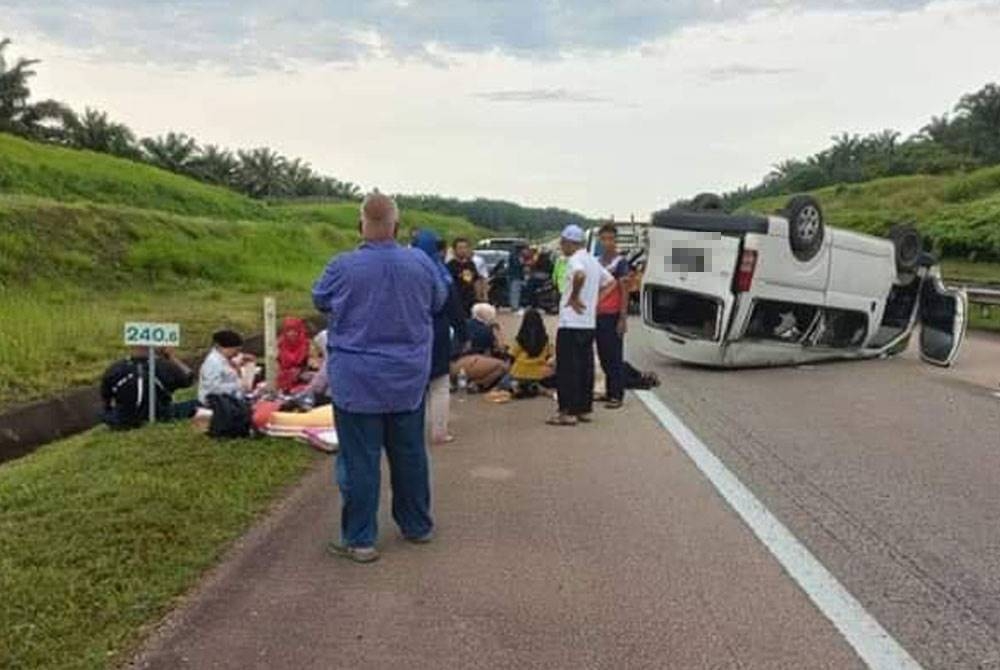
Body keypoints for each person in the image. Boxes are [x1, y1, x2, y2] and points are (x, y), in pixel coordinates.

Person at [312, 192, 446, 564]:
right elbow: (437, 301)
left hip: (357, 381)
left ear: (360, 226)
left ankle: (360, 539)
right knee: (410, 455)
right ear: (397, 226)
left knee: (360, 461)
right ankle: (417, 525)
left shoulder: (341, 266)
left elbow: (319, 299)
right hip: (406, 379)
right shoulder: (420, 262)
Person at [548, 224, 613, 426]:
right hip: (588, 322)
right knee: (585, 366)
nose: (561, 247)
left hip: (571, 321)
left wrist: (574, 296)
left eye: (563, 243)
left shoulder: (574, 260)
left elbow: (579, 275)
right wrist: (594, 300)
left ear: (570, 243)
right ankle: (583, 408)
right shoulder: (593, 261)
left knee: (568, 368)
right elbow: (610, 282)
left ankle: (566, 411)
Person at [413, 229, 467, 445]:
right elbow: (454, 307)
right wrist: (463, 334)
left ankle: (411, 433)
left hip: (411, 332)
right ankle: (439, 432)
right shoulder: (441, 274)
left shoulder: (406, 271)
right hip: (438, 330)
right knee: (439, 384)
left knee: (415, 385)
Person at [99, 347, 196, 430]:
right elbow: (189, 379)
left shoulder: (114, 369)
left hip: (123, 419)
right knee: (200, 402)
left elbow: (106, 399)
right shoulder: (164, 366)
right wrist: (171, 357)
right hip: (161, 414)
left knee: (103, 413)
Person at [594, 223, 630, 409]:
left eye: (611, 239)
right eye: (604, 239)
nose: (607, 242)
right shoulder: (596, 262)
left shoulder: (621, 263)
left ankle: (617, 394)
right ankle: (609, 392)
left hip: (613, 314)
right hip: (597, 314)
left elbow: (625, 291)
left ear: (616, 241)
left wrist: (623, 318)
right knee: (602, 354)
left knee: (614, 356)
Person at [451, 303, 509, 391]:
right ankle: (478, 384)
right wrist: (498, 332)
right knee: (503, 367)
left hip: (452, 364)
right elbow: (500, 348)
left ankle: (460, 382)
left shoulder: (465, 324)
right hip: (469, 361)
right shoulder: (486, 330)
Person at [507, 308, 555, 398]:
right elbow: (550, 357)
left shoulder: (520, 339)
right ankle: (536, 386)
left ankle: (520, 386)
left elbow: (512, 356)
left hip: (519, 372)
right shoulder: (545, 339)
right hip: (539, 373)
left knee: (506, 379)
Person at [197, 329, 253, 405]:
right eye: (235, 350)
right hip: (216, 405)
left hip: (229, 400)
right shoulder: (213, 363)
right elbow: (213, 388)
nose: (237, 354)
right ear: (221, 347)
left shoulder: (224, 359)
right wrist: (238, 385)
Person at [447, 237, 487, 316]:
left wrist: (479, 297)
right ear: (454, 250)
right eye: (460, 248)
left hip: (470, 300)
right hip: (457, 301)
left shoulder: (471, 264)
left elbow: (476, 280)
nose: (463, 250)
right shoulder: (450, 266)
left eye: (465, 247)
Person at [276, 317, 311, 392]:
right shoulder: (281, 344)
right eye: (288, 331)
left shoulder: (306, 344)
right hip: (283, 379)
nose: (292, 334)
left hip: (302, 379)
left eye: (295, 331)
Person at [507, 244, 525, 313]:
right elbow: (518, 265)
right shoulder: (515, 256)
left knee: (515, 292)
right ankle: (515, 307)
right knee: (515, 292)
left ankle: (515, 306)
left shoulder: (514, 255)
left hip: (515, 276)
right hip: (515, 276)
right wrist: (522, 263)